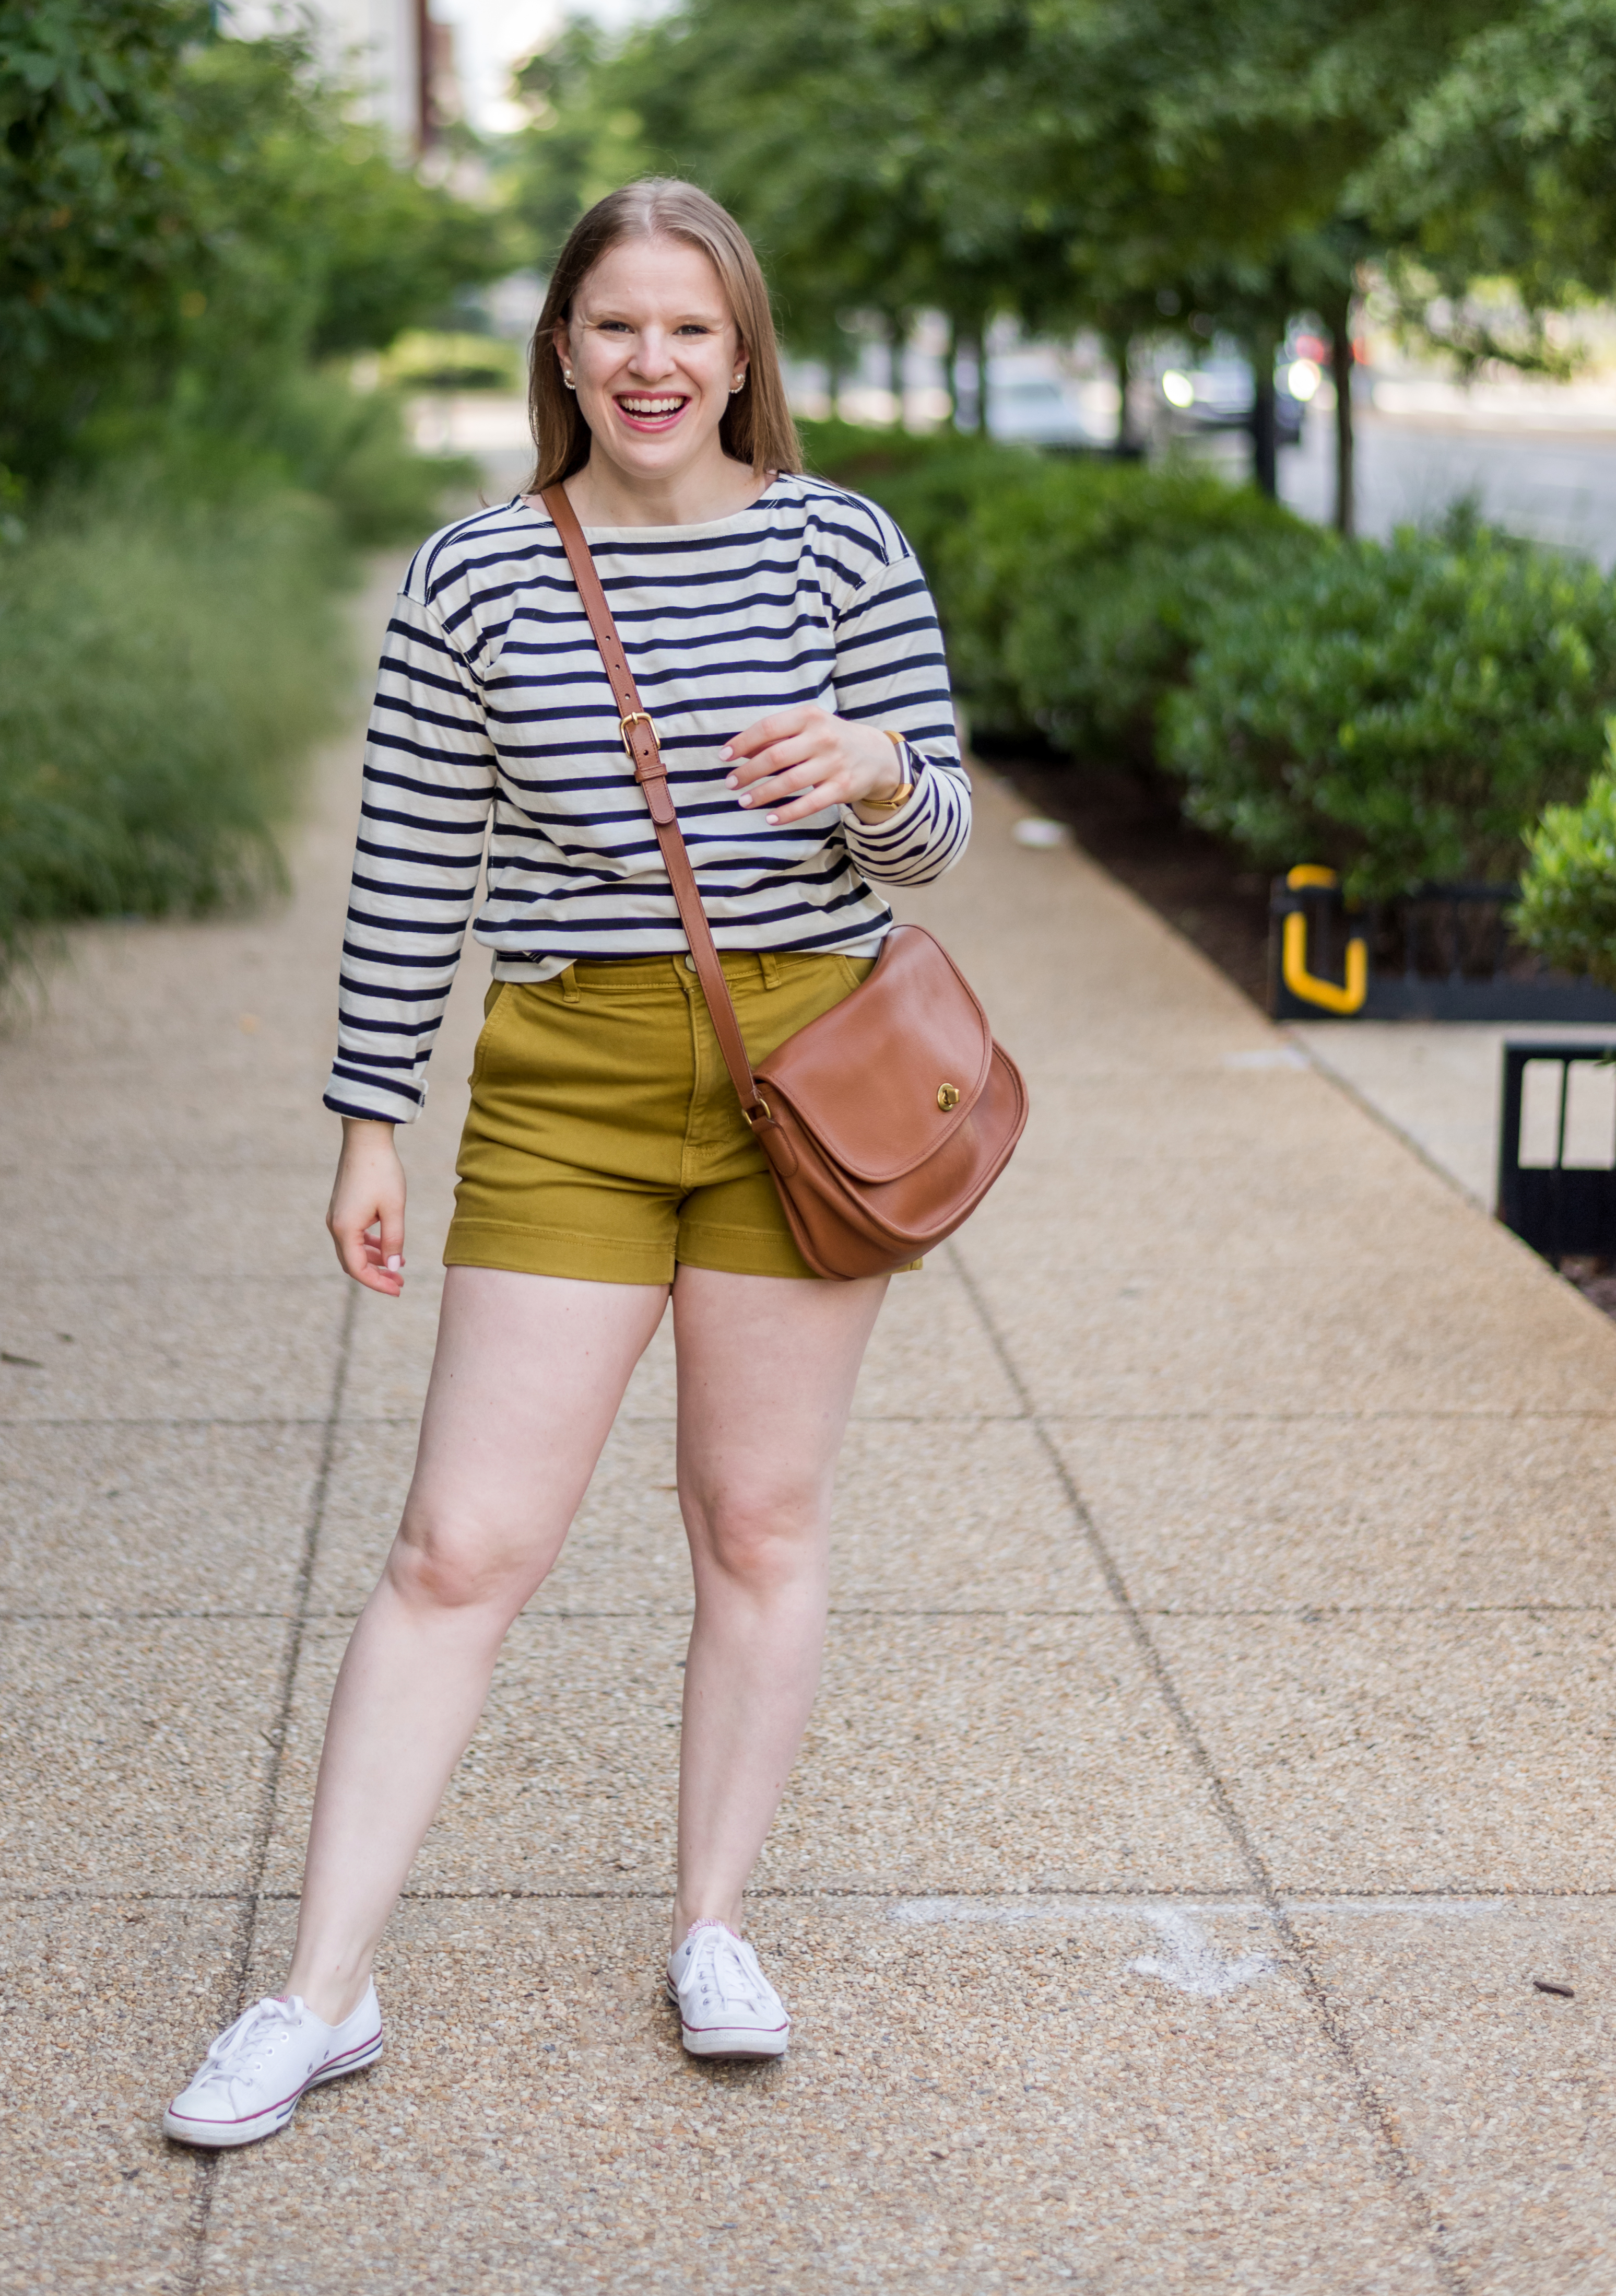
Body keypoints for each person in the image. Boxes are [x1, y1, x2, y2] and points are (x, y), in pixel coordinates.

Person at [162, 178, 971, 2149]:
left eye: (691, 327)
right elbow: (413, 868)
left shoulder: (841, 549)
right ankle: (316, 1992)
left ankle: (713, 1925)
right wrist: (373, 1119)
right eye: (616, 324)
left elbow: (934, 839)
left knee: (758, 1522)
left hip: (810, 1071)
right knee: (462, 1546)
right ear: (561, 346)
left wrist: (869, 771)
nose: (653, 362)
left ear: (743, 348)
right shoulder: (481, 578)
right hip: (569, 1088)